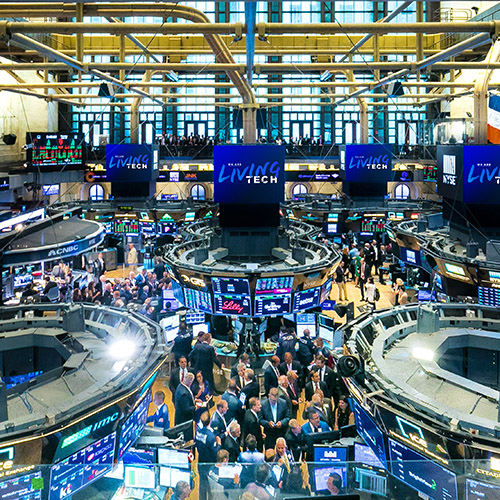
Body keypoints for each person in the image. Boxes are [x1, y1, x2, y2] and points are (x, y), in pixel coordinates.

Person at [196, 411, 219, 500]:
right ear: (210, 422)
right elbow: (215, 452)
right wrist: (219, 444)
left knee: (202, 484)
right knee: (210, 486)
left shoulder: (198, 432)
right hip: (209, 464)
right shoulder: (211, 436)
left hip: (200, 461)